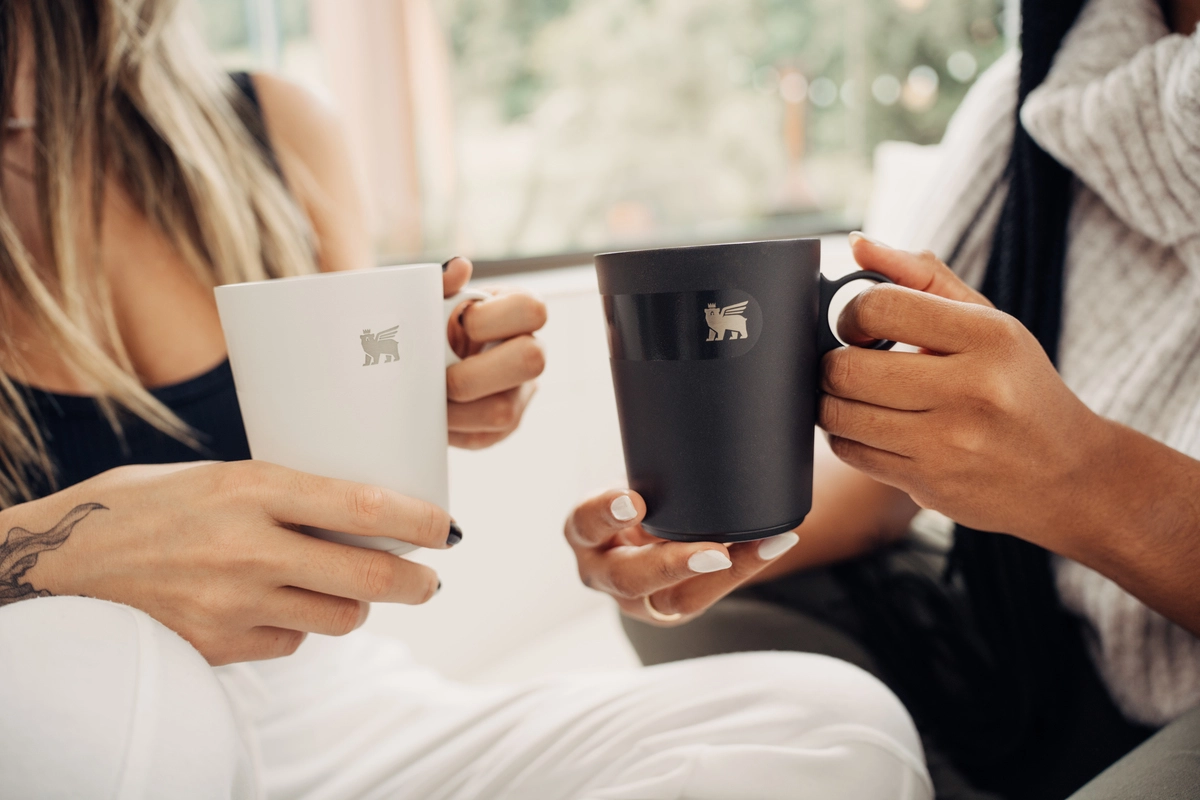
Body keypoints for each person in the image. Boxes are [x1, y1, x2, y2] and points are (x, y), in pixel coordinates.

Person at [0, 1, 932, 797]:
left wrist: (412, 398)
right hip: (73, 735)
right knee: (84, 676)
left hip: (336, 704)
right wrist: (46, 553)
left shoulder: (266, 134)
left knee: (832, 723)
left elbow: (337, 460)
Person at [568, 0, 1200, 798]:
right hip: (1048, 629)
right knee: (695, 604)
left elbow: (1057, 476)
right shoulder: (1040, 82)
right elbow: (885, 491)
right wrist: (703, 533)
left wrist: (1086, 479)